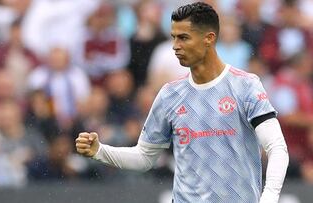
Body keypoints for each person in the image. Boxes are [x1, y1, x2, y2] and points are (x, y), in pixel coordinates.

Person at [75, 2, 289, 203]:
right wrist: (100, 151)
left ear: (209, 38)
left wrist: (269, 197)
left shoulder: (245, 86)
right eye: (173, 38)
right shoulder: (169, 94)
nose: (175, 46)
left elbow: (276, 147)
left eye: (184, 38)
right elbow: (144, 157)